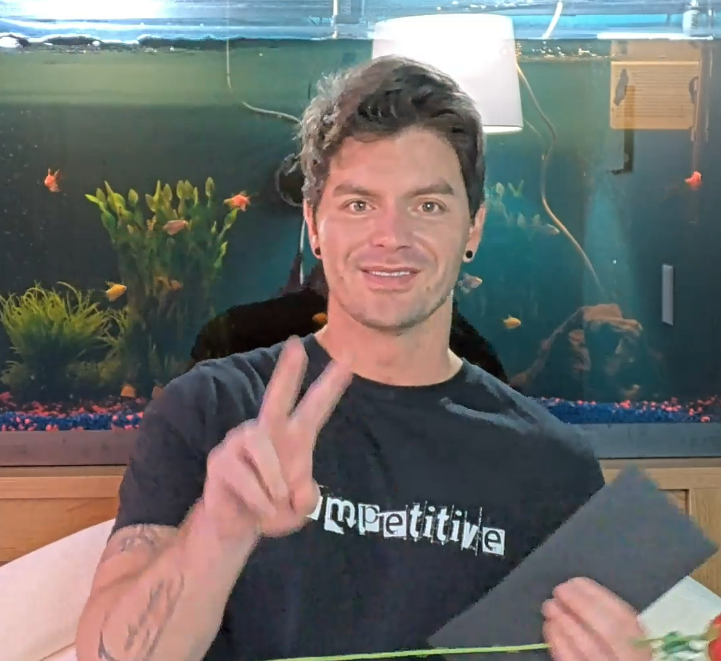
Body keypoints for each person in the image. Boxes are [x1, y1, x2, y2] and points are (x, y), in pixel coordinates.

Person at [75, 55, 650, 661]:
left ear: (474, 228)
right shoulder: (211, 408)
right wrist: (218, 530)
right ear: (313, 224)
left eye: (428, 206)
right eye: (358, 205)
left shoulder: (554, 465)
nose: (391, 236)